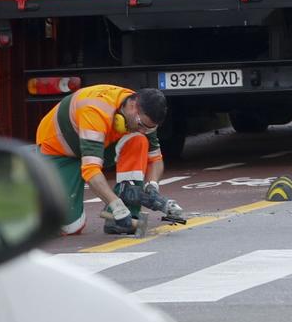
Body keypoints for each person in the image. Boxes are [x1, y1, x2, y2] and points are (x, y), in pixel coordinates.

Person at [36, 85, 183, 236]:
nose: (144, 131)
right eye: (141, 125)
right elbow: (91, 170)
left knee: (139, 140)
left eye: (149, 129)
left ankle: (124, 217)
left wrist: (152, 187)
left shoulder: (143, 115)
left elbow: (156, 159)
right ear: (133, 106)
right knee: (69, 227)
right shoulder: (95, 112)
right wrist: (116, 206)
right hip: (61, 152)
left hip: (97, 143)